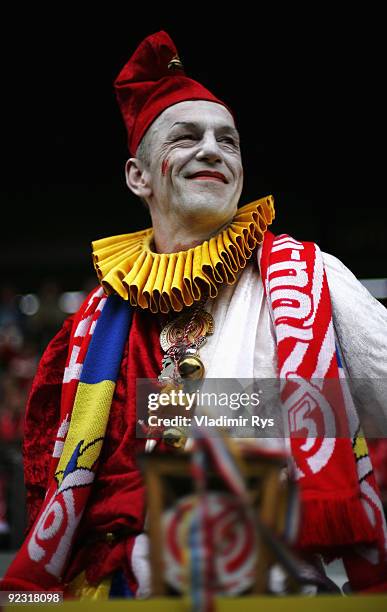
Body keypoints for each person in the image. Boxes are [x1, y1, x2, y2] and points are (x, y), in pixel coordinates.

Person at [2, 31, 387, 598]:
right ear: (139, 176)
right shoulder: (92, 320)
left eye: (228, 142)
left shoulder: (311, 278)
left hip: (261, 593)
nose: (213, 149)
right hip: (115, 593)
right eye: (186, 137)